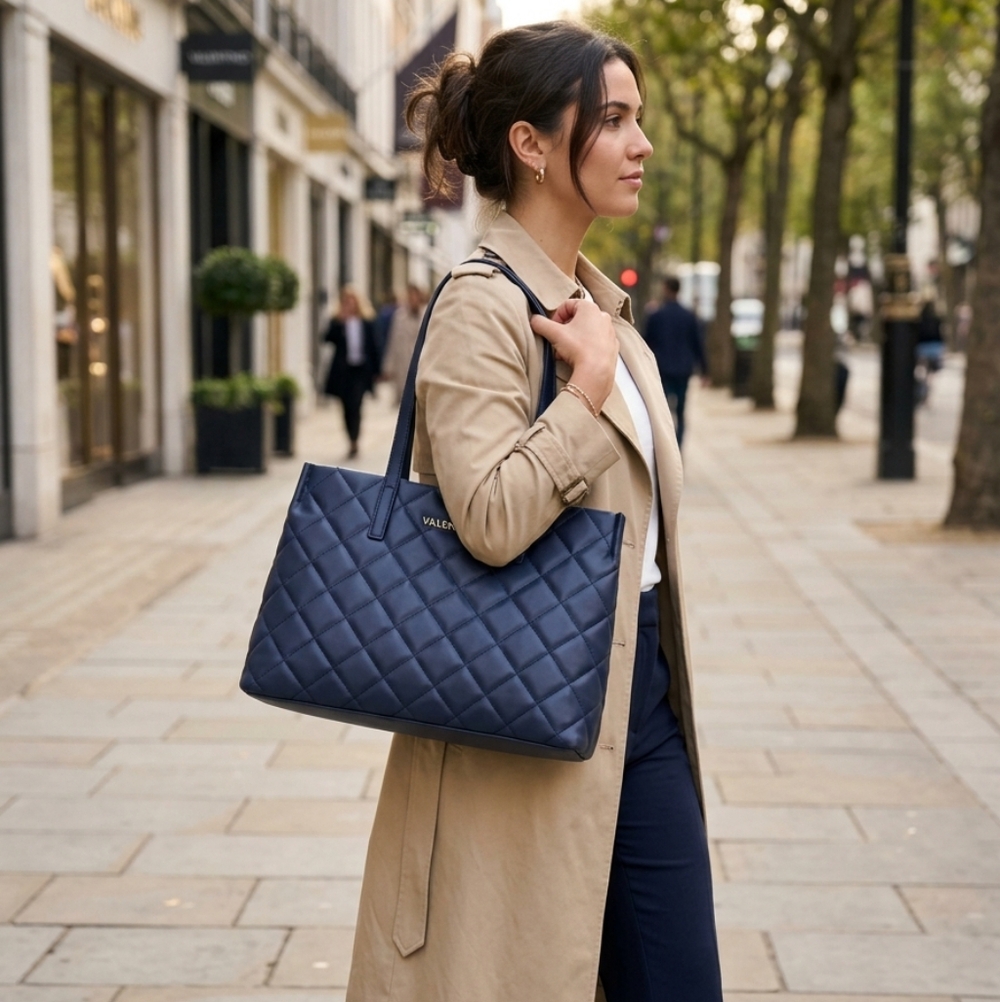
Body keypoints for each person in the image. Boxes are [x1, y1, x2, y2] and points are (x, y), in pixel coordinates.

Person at [346, 21, 722, 1002]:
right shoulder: (482, 304)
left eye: (638, 119)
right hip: (527, 698)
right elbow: (487, 516)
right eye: (613, 119)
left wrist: (598, 367)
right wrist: (584, 395)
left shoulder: (598, 312)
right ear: (531, 143)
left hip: (642, 699)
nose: (641, 144)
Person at [643, 275, 706, 446]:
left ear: (666, 289)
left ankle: (666, 443)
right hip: (684, 368)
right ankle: (678, 445)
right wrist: (704, 370)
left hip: (662, 368)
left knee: (662, 409)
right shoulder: (689, 316)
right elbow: (698, 344)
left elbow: (646, 343)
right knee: (681, 409)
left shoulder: (656, 316)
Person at [323, 285, 381, 458]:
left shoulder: (366, 321)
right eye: (346, 301)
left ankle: (355, 440)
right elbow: (327, 338)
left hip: (361, 370)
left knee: (356, 405)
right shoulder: (337, 321)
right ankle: (350, 438)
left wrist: (378, 370)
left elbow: (375, 346)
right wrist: (339, 322)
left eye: (352, 301)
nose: (349, 304)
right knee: (346, 407)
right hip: (343, 371)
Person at [380, 283, 428, 403]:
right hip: (403, 365)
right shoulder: (399, 316)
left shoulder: (428, 315)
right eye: (410, 296)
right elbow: (393, 341)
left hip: (423, 363)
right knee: (405, 401)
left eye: (415, 296)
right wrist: (388, 367)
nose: (413, 299)